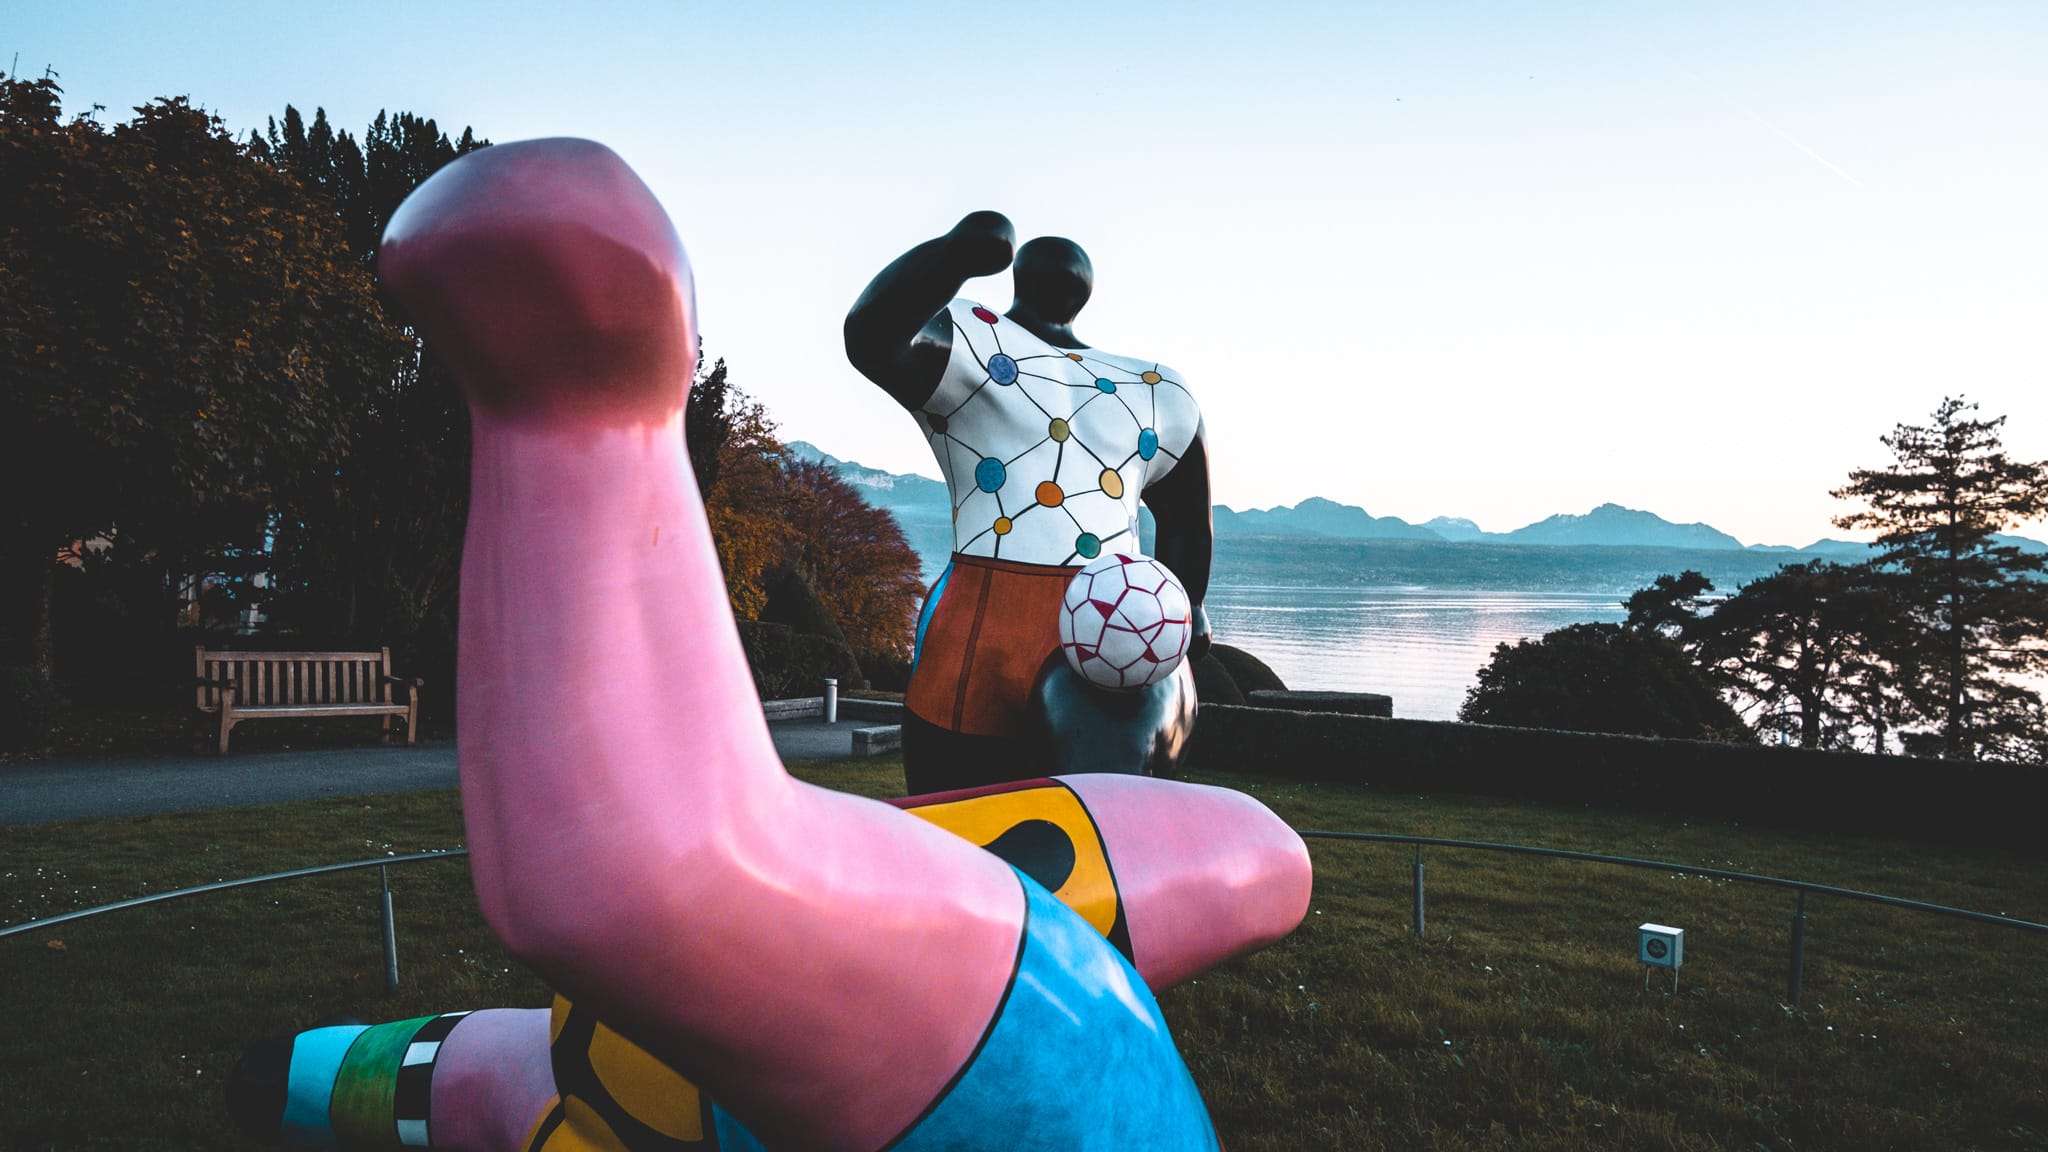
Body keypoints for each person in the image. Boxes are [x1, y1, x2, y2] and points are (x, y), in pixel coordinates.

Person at [226, 137, 1306, 1152]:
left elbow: (1191, 525)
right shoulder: (989, 349)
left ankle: (335, 1071)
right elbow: (881, 334)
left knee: (1032, 863)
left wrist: (1181, 630)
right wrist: (950, 261)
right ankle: (925, 921)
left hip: (1084, 640)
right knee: (1022, 853)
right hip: (1008, 631)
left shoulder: (1152, 392)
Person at [845, 215, 1217, 792]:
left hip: (1006, 623)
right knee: (1078, 820)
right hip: (1112, 616)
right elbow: (1189, 529)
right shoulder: (1154, 391)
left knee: (973, 816)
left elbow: (872, 332)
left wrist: (957, 254)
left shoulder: (974, 339)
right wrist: (1181, 612)